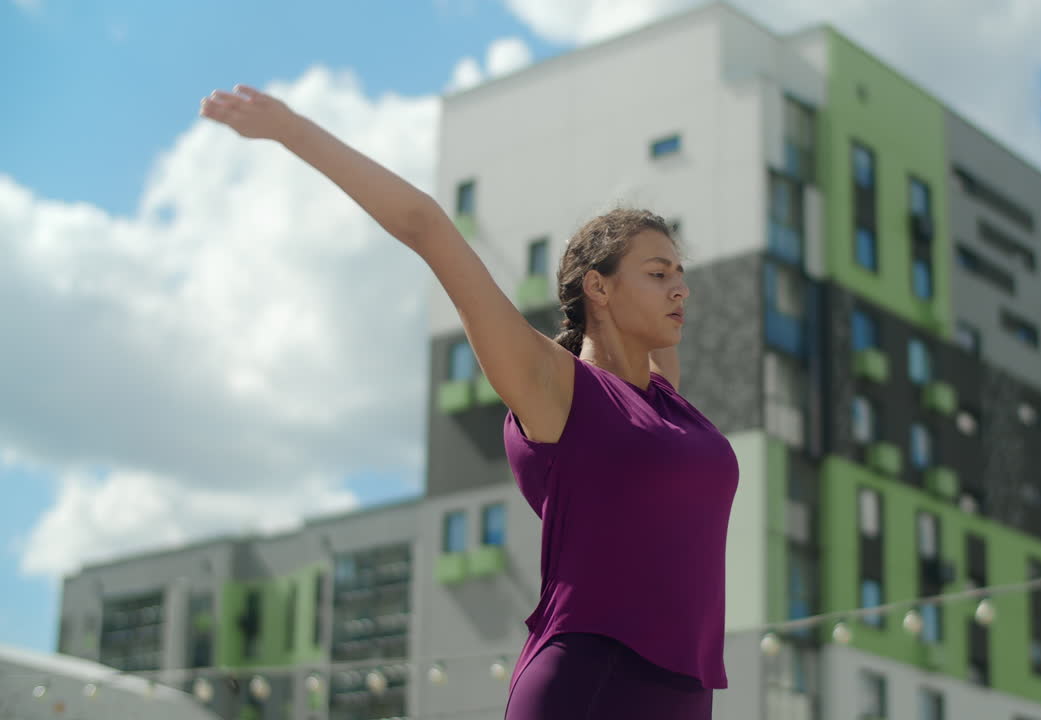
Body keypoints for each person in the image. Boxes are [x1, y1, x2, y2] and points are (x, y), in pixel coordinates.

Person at [200, 85, 740, 719]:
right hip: (590, 683)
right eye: (658, 273)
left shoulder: (666, 399)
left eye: (681, 272)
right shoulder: (554, 385)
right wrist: (291, 130)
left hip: (684, 693)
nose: (680, 287)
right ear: (599, 287)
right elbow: (428, 227)